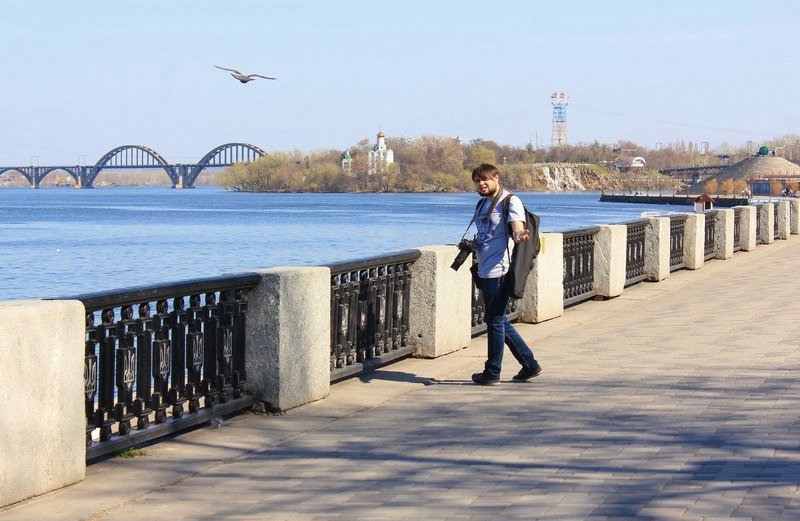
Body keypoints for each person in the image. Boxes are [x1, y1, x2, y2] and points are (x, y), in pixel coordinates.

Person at [470, 163, 542, 385]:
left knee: (495, 321)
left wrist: (520, 235)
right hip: (484, 268)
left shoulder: (510, 201)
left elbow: (518, 227)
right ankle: (529, 364)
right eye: (477, 180)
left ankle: (492, 372)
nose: (482, 184)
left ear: (496, 178)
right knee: (497, 319)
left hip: (500, 269)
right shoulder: (482, 203)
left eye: (486, 179)